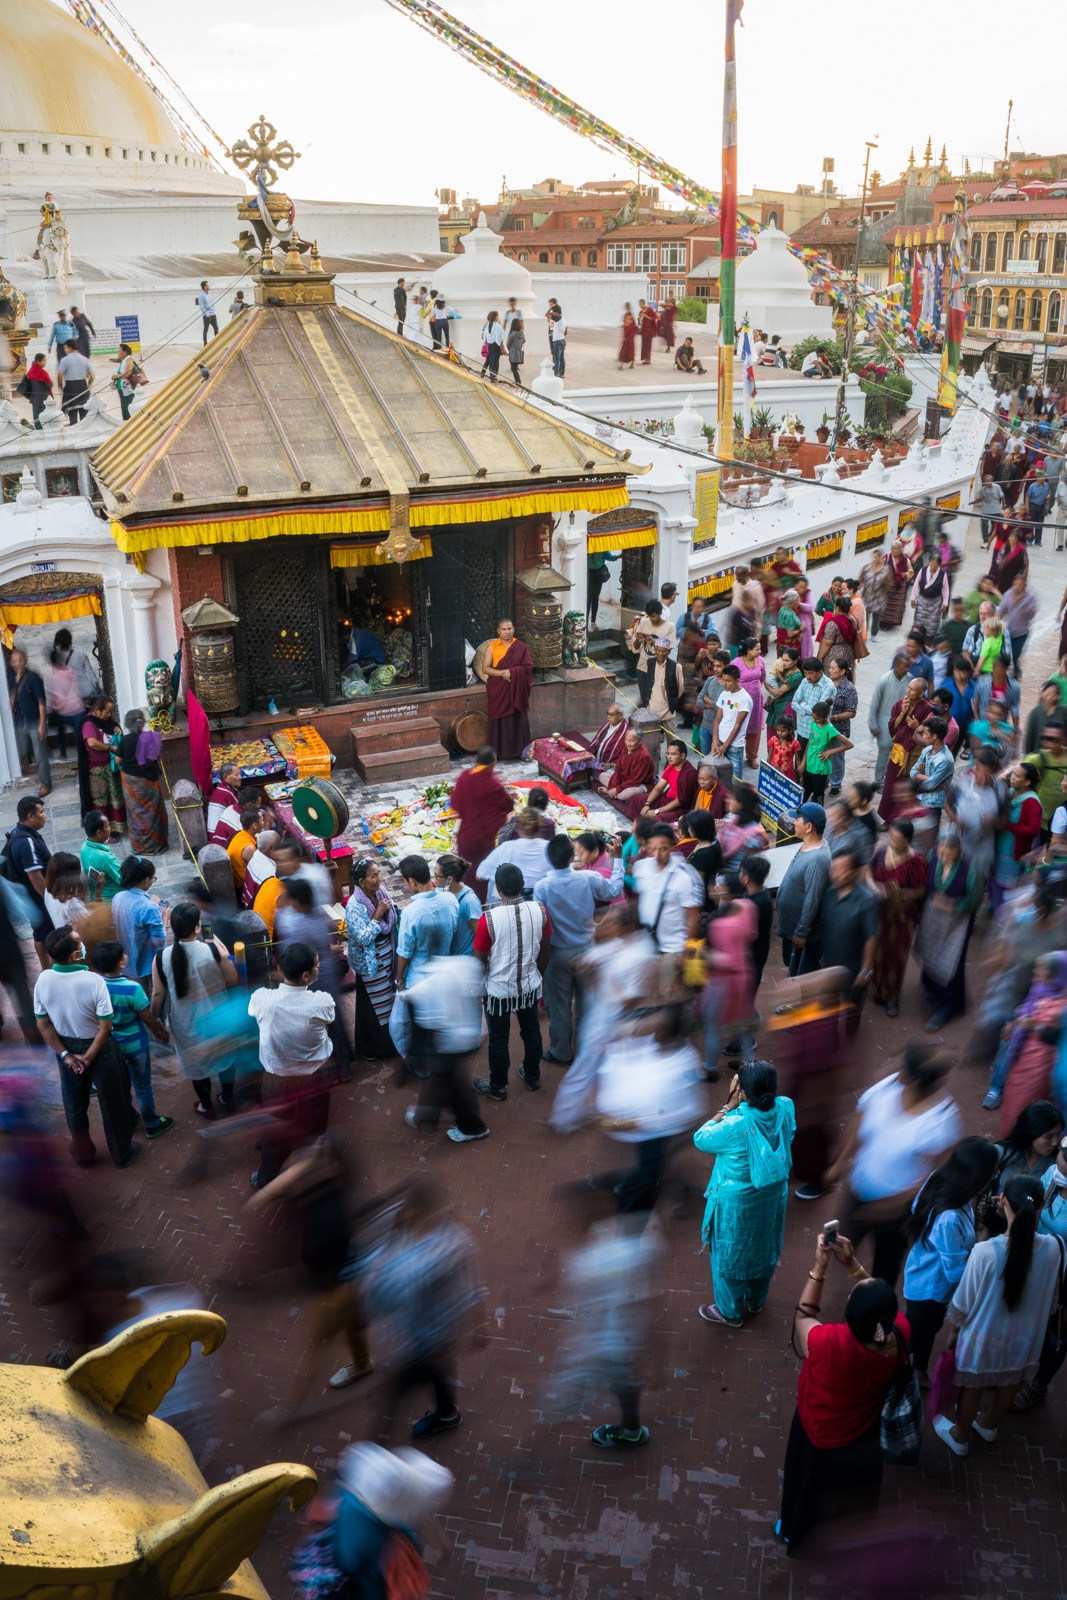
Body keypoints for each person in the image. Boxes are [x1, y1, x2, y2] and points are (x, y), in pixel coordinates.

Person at [777, 1237, 909, 1555]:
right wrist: (852, 1264)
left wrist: (819, 1268)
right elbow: (880, 1302)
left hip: (818, 1430)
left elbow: (803, 1318)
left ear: (852, 1316)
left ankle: (792, 1530)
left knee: (805, 1486)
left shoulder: (828, 1341)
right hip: (862, 1429)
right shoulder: (900, 1333)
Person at [935, 1173, 1063, 1455]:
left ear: (1002, 1199)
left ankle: (960, 1435)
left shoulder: (984, 1252)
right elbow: (1052, 1298)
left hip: (982, 1337)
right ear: (1041, 1206)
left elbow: (962, 1306)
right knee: (1010, 1381)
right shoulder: (1056, 1247)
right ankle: (990, 1424)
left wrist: (953, 1336)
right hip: (1025, 1338)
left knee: (973, 1386)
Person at [358, 1179, 487, 1438]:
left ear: (420, 1210)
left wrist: (480, 1326)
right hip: (415, 1331)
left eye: (408, 1208)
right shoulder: (407, 1232)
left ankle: (375, 1446)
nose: (404, 1213)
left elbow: (473, 1286)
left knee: (395, 1393)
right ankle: (448, 1412)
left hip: (433, 1334)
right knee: (437, 1371)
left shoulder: (452, 1244)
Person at [827, 1044, 963, 1286]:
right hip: (858, 1194)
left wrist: (890, 1207)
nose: (897, 1071)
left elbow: (933, 1177)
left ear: (913, 1079)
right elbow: (858, 1124)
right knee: (842, 1243)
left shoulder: (941, 1120)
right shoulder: (887, 1088)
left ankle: (876, 1311)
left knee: (885, 1270)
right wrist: (840, 1163)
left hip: (896, 1216)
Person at [692, 1062, 795, 1328]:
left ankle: (730, 1313)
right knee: (765, 1248)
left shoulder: (735, 1125)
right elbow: (790, 1134)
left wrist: (727, 1105)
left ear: (744, 1094)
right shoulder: (785, 1107)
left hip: (736, 1205)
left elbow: (701, 1138)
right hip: (773, 1199)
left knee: (730, 1256)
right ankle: (757, 1302)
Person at [33, 925, 137, 1169]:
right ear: (74, 955)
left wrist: (67, 1055)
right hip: (99, 1049)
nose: (82, 944)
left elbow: (44, 1025)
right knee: (114, 1103)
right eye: (78, 941)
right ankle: (122, 1154)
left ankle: (82, 1154)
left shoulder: (44, 979)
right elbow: (105, 1028)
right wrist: (89, 1056)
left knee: (74, 1105)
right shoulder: (94, 981)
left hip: (65, 1047)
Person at [903, 1138, 1000, 1383]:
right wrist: (980, 1244)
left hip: (921, 1276)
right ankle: (900, 1377)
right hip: (930, 1291)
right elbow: (955, 1272)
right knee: (915, 1338)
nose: (995, 1175)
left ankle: (919, 1370)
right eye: (992, 1171)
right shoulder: (949, 1219)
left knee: (924, 1332)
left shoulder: (940, 1178)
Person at [248, 941, 336, 1188]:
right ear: (306, 975)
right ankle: (311, 1176)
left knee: (274, 1128)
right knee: (314, 1129)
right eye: (317, 965)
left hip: (276, 1079)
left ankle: (268, 1177)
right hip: (315, 1077)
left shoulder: (262, 999)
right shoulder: (322, 1002)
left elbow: (255, 1011)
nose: (320, 968)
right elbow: (328, 1021)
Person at [536, 833, 624, 1065]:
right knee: (586, 1004)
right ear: (570, 857)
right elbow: (615, 890)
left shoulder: (542, 887)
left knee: (560, 1006)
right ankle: (585, 1051)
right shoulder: (588, 878)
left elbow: (541, 924)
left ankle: (561, 1052)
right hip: (587, 949)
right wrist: (618, 859)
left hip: (559, 952)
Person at [470, 864, 551, 1100]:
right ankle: (533, 1075)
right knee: (531, 1031)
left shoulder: (489, 920)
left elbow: (479, 960)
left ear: (497, 889)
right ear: (522, 884)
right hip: (529, 985)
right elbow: (546, 949)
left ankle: (497, 1086)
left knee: (498, 1039)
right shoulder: (540, 910)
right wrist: (538, 974)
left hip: (498, 990)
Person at [152, 902, 239, 1117]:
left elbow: (158, 994)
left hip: (185, 1022)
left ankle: (206, 1106)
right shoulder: (212, 950)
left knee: (196, 1065)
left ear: (172, 927)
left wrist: (154, 1019)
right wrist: (213, 940)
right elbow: (233, 979)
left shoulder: (162, 957)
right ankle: (228, 1098)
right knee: (226, 1057)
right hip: (218, 1018)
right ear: (197, 927)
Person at [89, 940, 174, 1142]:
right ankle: (152, 1124)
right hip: (135, 1047)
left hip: (113, 1047)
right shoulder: (132, 988)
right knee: (142, 1087)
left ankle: (129, 1117)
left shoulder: (96, 987)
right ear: (120, 963)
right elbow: (147, 1017)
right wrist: (161, 1032)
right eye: (122, 955)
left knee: (122, 1085)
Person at [404, 954, 490, 1143]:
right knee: (446, 1077)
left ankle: (471, 1126)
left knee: (448, 1080)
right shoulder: (463, 964)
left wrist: (415, 1055)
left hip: (453, 1040)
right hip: (469, 1034)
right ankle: (427, 1117)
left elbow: (430, 1024)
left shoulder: (425, 986)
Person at [996, 954, 1067, 1137]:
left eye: (1041, 969)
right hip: (1023, 1054)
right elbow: (1025, 1008)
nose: (1036, 973)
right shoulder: (1041, 987)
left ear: (1055, 975)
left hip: (1042, 1062)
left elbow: (1057, 1034)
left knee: (1025, 1102)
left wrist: (1034, 1026)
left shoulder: (1063, 1003)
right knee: (1013, 1097)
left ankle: (1015, 1141)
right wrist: (1014, 1023)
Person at [868, 819, 927, 1018]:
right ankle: (875, 989)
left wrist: (900, 894)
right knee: (876, 950)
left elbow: (921, 890)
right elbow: (868, 874)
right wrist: (878, 889)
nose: (893, 842)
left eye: (899, 840)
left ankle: (892, 997)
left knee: (896, 954)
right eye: (891, 837)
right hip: (879, 912)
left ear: (909, 841)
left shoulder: (917, 861)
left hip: (901, 916)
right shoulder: (881, 851)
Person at [345, 858, 398, 1061]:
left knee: (388, 1002)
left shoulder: (381, 893)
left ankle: (391, 1043)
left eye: (379, 874)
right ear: (362, 882)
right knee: (373, 1008)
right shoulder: (354, 905)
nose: (379, 879)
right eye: (373, 876)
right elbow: (364, 938)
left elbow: (392, 917)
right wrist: (377, 915)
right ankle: (372, 1048)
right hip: (370, 964)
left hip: (387, 958)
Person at [815, 849, 879, 1007]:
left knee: (851, 1009)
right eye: (834, 869)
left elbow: (872, 937)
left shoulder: (866, 900)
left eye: (842, 869)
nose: (836, 874)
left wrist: (865, 970)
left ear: (855, 872)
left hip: (852, 969)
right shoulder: (828, 894)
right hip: (829, 965)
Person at [451, 747, 513, 900]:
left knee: (467, 873)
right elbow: (507, 807)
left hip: (465, 838)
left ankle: (467, 901)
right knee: (484, 876)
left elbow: (456, 803)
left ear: (476, 760)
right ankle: (484, 906)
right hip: (485, 842)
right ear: (493, 764)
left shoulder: (464, 777)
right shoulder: (493, 784)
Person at [776, 802, 831, 977]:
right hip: (792, 927)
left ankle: (801, 1004)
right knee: (793, 967)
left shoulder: (817, 860)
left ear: (808, 827)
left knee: (804, 974)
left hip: (803, 934)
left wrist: (801, 931)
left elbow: (812, 899)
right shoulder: (808, 844)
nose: (794, 822)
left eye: (797, 819)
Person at [2, 794, 52, 965]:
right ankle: (49, 968)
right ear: (31, 817)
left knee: (40, 932)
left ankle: (47, 969)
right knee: (47, 934)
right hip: (38, 896)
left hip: (31, 895)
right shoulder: (26, 842)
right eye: (42, 812)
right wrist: (49, 898)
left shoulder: (19, 832)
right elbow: (35, 876)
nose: (45, 815)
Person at [876, 676, 932, 824]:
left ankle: (903, 819)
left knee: (907, 789)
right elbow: (892, 728)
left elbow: (928, 734)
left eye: (913, 690)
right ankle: (888, 819)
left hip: (913, 754)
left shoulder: (927, 709)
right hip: (897, 752)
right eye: (908, 688)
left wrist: (916, 726)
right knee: (890, 788)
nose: (908, 692)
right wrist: (902, 713)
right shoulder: (899, 704)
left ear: (921, 693)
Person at [992, 762, 1043, 909]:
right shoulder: (1010, 790)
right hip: (1000, 843)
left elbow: (1032, 829)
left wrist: (1007, 826)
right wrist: (1003, 777)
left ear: (1027, 782)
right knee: (995, 877)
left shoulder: (1032, 802)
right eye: (1013, 774)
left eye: (1017, 776)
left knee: (1007, 883)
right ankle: (994, 904)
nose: (1012, 778)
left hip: (1013, 849)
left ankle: (1002, 911)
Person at [117, 709, 168, 855]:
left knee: (136, 813)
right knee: (153, 812)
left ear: (127, 724)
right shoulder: (151, 738)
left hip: (131, 783)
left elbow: (118, 760)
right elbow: (155, 756)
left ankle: (140, 847)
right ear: (142, 723)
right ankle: (157, 844)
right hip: (149, 782)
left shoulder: (124, 741)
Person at [110, 855, 168, 984]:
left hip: (126, 961)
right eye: (153, 878)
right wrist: (164, 918)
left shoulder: (117, 897)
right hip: (147, 965)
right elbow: (159, 941)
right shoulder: (150, 908)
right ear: (146, 880)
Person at [481, 619, 533, 759]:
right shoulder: (492, 647)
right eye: (503, 629)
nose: (507, 632)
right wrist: (503, 673)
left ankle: (522, 752)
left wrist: (513, 672)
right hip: (498, 689)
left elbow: (528, 667)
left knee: (517, 719)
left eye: (509, 628)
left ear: (514, 629)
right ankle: (496, 753)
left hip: (516, 689)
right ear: (498, 631)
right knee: (498, 720)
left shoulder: (520, 647)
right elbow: (485, 668)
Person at [476, 810, 551, 903]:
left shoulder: (507, 848)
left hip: (510, 906)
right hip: (542, 906)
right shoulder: (549, 848)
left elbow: (480, 874)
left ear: (517, 828)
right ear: (539, 828)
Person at [77, 693, 124, 833]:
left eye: (111, 712)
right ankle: (102, 831)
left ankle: (116, 827)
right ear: (97, 710)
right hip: (96, 770)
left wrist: (117, 729)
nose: (109, 715)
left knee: (114, 798)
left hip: (111, 767)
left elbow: (112, 726)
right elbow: (92, 743)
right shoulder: (88, 724)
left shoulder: (105, 721)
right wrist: (110, 747)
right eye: (107, 712)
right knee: (101, 801)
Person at [7, 647, 50, 796]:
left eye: (20, 659)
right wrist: (13, 698)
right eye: (14, 660)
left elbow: (41, 702)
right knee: (23, 750)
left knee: (40, 754)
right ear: (11, 663)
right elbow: (14, 691)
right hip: (21, 721)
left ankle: (45, 783)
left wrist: (42, 723)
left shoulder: (33, 678)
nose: (17, 662)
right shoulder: (13, 678)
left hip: (34, 721)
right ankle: (27, 770)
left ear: (25, 660)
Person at [798, 700, 850, 807]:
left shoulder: (829, 729)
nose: (814, 720)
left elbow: (848, 744)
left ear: (826, 716)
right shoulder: (814, 723)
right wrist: (803, 762)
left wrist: (830, 751)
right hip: (810, 764)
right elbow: (810, 741)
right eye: (813, 718)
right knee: (805, 791)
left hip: (820, 767)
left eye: (817, 718)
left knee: (818, 796)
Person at [596, 728, 655, 819]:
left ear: (640, 741)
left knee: (624, 795)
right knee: (602, 776)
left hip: (640, 784)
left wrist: (615, 789)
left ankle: (610, 792)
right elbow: (619, 770)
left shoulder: (643, 756)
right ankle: (614, 793)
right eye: (626, 740)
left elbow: (635, 780)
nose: (628, 743)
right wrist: (614, 787)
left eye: (631, 741)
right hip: (626, 780)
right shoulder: (626, 748)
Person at [709, 661, 753, 780]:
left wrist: (726, 746)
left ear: (737, 681)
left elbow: (737, 725)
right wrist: (714, 740)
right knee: (718, 777)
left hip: (734, 745)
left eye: (728, 681)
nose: (724, 683)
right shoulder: (724, 694)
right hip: (720, 741)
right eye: (723, 680)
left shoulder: (745, 699)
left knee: (734, 780)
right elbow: (717, 719)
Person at [433, 853, 481, 955]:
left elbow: (480, 936)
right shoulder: (441, 892)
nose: (434, 878)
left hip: (464, 961)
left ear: (449, 879)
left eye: (437, 876)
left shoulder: (469, 901)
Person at [641, 738, 698, 822]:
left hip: (679, 808)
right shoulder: (670, 767)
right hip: (666, 798)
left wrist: (657, 811)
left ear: (682, 756)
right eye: (668, 754)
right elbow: (658, 788)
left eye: (673, 754)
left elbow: (680, 801)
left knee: (658, 818)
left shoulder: (689, 773)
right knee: (638, 799)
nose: (669, 757)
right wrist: (647, 803)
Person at [997, 571, 1038, 680]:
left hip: (1022, 632)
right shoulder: (1008, 594)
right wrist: (995, 622)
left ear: (1025, 585)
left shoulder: (1030, 598)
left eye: (1020, 585)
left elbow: (1031, 615)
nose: (1017, 587)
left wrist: (1024, 607)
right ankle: (1006, 672)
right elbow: (1002, 609)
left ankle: (1015, 674)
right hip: (1009, 630)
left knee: (1015, 654)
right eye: (1015, 584)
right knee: (1004, 653)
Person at [790, 657, 835, 752]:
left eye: (810, 673)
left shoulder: (828, 686)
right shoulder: (805, 681)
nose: (807, 676)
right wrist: (808, 710)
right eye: (805, 673)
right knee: (799, 762)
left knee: (814, 763)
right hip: (802, 729)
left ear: (819, 672)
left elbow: (819, 711)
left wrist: (802, 705)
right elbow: (794, 703)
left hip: (818, 732)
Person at [637, 635, 685, 718]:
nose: (661, 654)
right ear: (654, 650)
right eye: (658, 650)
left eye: (664, 651)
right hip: (651, 710)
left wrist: (673, 702)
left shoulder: (676, 667)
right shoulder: (650, 662)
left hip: (667, 712)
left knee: (669, 731)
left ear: (669, 652)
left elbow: (680, 689)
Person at [910, 551, 950, 640]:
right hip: (922, 600)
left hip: (935, 603)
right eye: (931, 564)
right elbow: (916, 583)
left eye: (936, 565)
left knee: (932, 625)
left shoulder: (943, 574)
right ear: (929, 562)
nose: (933, 567)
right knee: (919, 621)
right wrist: (913, 597)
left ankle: (928, 640)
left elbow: (946, 590)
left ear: (939, 565)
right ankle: (917, 637)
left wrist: (945, 604)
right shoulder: (923, 570)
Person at [226, 804, 262, 894]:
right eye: (262, 820)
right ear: (255, 825)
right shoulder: (249, 848)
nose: (263, 823)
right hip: (242, 887)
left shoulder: (239, 834)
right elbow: (257, 873)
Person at [57, 340, 92, 423]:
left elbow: (60, 375)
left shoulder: (65, 360)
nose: (65, 350)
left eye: (65, 348)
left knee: (72, 413)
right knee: (84, 411)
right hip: (83, 386)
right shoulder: (85, 359)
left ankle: (74, 429)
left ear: (70, 348)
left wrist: (60, 385)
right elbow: (92, 375)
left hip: (70, 387)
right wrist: (88, 385)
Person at [858, 549, 889, 637]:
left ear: (881, 558)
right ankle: (865, 632)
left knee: (876, 616)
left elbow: (888, 583)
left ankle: (874, 633)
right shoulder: (866, 568)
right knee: (865, 615)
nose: (875, 558)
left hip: (878, 596)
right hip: (867, 595)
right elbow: (861, 579)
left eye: (877, 556)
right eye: (874, 556)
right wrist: (859, 585)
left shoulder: (885, 570)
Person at [205, 761, 240, 838]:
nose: (240, 777)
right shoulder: (226, 794)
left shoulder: (224, 789)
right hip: (221, 837)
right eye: (236, 775)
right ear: (225, 777)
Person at [22, 351, 53, 428]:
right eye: (44, 361)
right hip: (43, 398)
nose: (45, 362)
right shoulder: (43, 372)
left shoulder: (31, 371)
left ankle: (38, 430)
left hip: (34, 399)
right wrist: (52, 382)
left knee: (37, 418)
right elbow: (49, 385)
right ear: (38, 361)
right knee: (45, 419)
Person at [973, 474, 1005, 547]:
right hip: (985, 510)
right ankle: (985, 540)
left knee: (995, 526)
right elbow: (980, 499)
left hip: (996, 510)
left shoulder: (997, 487)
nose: (989, 483)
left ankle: (990, 536)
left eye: (990, 481)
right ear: (984, 481)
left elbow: (1002, 496)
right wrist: (972, 502)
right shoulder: (983, 490)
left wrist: (1003, 507)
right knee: (984, 525)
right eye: (987, 481)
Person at [114, 342, 137, 421]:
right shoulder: (123, 361)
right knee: (124, 409)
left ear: (125, 352)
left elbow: (127, 374)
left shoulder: (129, 360)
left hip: (127, 390)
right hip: (122, 388)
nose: (118, 353)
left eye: (119, 351)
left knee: (128, 410)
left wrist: (117, 376)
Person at [480, 309, 504, 380]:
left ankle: (491, 376)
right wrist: (499, 344)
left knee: (490, 361)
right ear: (496, 317)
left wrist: (485, 342)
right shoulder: (498, 326)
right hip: (496, 345)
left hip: (490, 345)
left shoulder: (488, 325)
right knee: (495, 362)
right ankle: (493, 377)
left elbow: (484, 336)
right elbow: (501, 336)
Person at [506, 310, 525, 384]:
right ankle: (517, 381)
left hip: (513, 353)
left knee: (513, 369)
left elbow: (508, 343)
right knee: (515, 368)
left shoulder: (513, 334)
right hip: (519, 352)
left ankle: (518, 382)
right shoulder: (521, 333)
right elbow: (524, 341)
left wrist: (510, 348)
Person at [548, 305, 567, 377]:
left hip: (557, 341)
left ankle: (555, 374)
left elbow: (546, 314)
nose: (552, 313)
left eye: (553, 312)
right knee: (562, 358)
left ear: (556, 312)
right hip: (562, 340)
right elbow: (565, 332)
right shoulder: (563, 319)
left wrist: (550, 308)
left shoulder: (557, 318)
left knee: (557, 359)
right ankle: (562, 373)